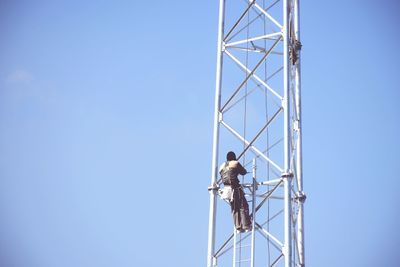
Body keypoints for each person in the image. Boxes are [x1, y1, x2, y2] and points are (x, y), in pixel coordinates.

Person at [219, 151, 252, 232]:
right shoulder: (235, 163)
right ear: (234, 157)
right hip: (235, 188)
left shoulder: (222, 166)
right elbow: (243, 172)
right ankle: (246, 225)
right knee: (243, 206)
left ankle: (238, 226)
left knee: (234, 208)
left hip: (227, 190)